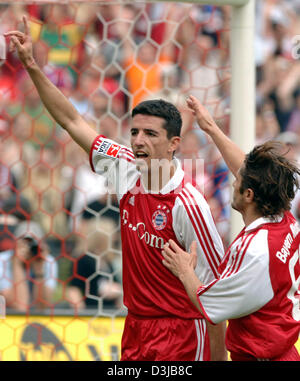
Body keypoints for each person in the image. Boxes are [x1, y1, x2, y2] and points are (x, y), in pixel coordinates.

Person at [5, 16, 227, 361]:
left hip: (181, 333)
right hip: (135, 328)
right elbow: (71, 120)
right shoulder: (122, 165)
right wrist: (33, 66)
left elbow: (216, 297)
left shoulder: (188, 205)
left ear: (174, 144)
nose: (138, 141)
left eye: (151, 134)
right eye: (135, 132)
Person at [162, 95, 300, 361]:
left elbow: (210, 306)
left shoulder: (255, 251)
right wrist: (211, 127)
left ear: (249, 195)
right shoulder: (283, 217)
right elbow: (247, 170)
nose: (232, 182)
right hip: (285, 351)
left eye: (237, 181)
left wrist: (184, 271)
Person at [0, 220, 58, 312]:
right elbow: (19, 306)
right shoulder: (2, 260)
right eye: (25, 242)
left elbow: (42, 307)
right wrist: (17, 264)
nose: (28, 248)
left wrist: (39, 271)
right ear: (15, 243)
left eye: (32, 244)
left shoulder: (48, 261)